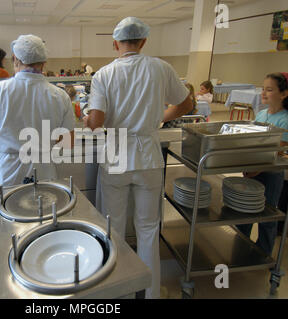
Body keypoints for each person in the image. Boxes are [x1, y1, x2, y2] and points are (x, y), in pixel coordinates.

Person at [83, 17, 193, 299]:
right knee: (147, 230)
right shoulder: (160, 68)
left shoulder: (104, 74)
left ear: (115, 43)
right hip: (148, 157)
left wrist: (83, 116)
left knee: (114, 229)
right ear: (143, 42)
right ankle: (151, 294)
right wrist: (158, 119)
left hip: (117, 155)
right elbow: (186, 103)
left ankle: (119, 294)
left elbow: (96, 121)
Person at [0, 34, 75, 299]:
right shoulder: (58, 95)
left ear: (15, 60)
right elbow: (67, 140)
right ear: (44, 62)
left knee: (4, 237)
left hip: (8, 172)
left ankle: (0, 293)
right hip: (44, 169)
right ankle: (39, 293)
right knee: (41, 234)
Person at [237, 72, 288, 256]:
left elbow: (276, 151)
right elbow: (253, 140)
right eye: (263, 89)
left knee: (266, 215)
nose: (264, 93)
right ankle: (241, 245)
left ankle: (262, 253)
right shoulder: (262, 113)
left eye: (269, 90)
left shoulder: (285, 119)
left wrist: (257, 170)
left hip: (269, 173)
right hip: (253, 168)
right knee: (245, 210)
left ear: (284, 94)